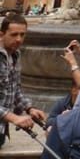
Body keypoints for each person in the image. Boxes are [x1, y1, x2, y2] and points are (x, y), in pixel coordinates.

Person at [0, 13, 46, 146]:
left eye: (22, 34)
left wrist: (29, 108)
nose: (19, 39)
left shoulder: (15, 54)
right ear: (1, 34)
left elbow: (14, 89)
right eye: (14, 35)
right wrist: (14, 117)